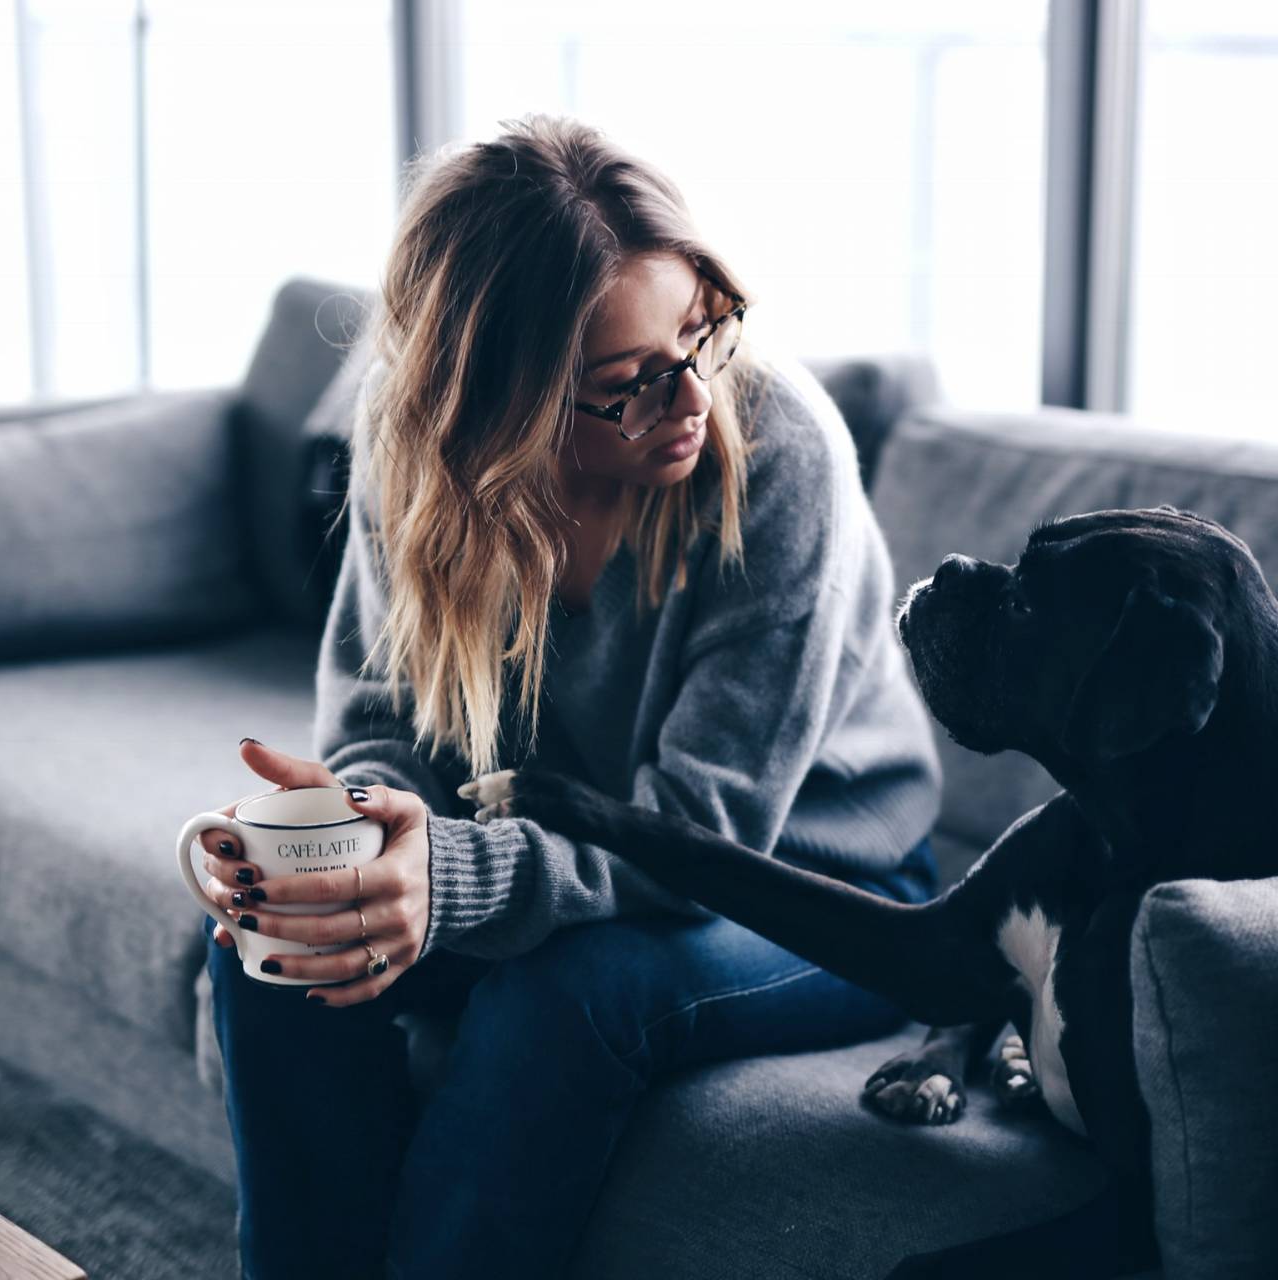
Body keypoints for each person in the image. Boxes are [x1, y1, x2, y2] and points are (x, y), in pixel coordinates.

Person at [193, 115, 943, 1280]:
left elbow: (704, 834)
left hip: (816, 888)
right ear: (507, 402)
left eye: (704, 331)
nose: (691, 398)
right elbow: (386, 722)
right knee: (277, 944)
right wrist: (360, 838)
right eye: (628, 384)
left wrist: (446, 875)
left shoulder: (785, 453)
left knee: (567, 997)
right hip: (573, 856)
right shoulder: (416, 451)